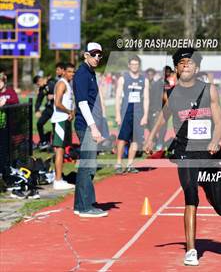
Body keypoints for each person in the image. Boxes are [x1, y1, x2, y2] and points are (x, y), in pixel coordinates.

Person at [144, 48, 221, 266]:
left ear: (197, 68)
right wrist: (151, 138)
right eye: (181, 63)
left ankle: (209, 189)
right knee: (190, 197)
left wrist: (216, 139)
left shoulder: (209, 90)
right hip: (185, 152)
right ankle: (191, 250)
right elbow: (163, 117)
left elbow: (219, 122)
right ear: (176, 69)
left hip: (209, 152)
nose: (186, 66)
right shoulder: (171, 93)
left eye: (190, 63)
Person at [72, 42, 108, 218]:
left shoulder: (90, 73)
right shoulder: (82, 74)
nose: (97, 58)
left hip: (90, 123)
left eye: (100, 55)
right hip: (86, 125)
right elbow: (83, 103)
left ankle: (81, 205)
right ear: (86, 55)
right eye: (94, 54)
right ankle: (85, 207)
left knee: (87, 165)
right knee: (88, 166)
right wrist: (93, 127)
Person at [114, 56, 149, 173]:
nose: (134, 66)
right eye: (132, 64)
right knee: (122, 139)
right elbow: (118, 97)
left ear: (139, 65)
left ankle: (130, 164)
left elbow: (146, 99)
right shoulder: (123, 78)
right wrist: (118, 115)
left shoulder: (144, 80)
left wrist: (145, 116)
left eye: (136, 64)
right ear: (129, 65)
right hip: (126, 112)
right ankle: (118, 164)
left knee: (136, 140)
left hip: (138, 113)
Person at [51, 63, 76, 190]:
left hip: (65, 120)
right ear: (64, 72)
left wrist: (72, 112)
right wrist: (69, 112)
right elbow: (57, 103)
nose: (72, 74)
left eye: (73, 72)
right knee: (59, 150)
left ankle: (59, 177)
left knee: (62, 149)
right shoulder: (61, 83)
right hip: (60, 120)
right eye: (70, 71)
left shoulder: (68, 84)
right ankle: (58, 180)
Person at [0, 72, 19, 179]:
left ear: (4, 82)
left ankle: (6, 168)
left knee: (7, 149)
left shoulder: (10, 91)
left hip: (8, 126)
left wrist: (6, 101)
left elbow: (16, 101)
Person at [33, 75, 56, 150]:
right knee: (39, 123)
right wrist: (37, 110)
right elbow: (39, 100)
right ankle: (44, 142)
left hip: (56, 109)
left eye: (38, 84)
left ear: (40, 80)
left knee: (55, 126)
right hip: (49, 109)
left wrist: (54, 96)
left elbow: (63, 93)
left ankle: (55, 144)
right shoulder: (43, 88)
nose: (38, 86)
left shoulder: (52, 83)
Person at [146, 68, 166, 150]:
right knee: (150, 126)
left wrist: (159, 109)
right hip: (150, 109)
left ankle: (160, 142)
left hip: (161, 109)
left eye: (151, 74)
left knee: (162, 126)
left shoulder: (160, 83)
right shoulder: (150, 83)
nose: (150, 76)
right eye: (148, 74)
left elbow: (160, 97)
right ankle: (156, 141)